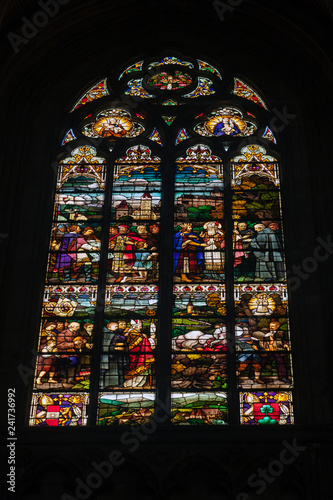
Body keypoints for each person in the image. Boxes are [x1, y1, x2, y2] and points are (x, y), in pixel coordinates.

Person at [123, 319, 155, 388]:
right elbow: (139, 344)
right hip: (138, 356)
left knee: (142, 370)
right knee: (138, 369)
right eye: (140, 326)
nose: (141, 327)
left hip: (140, 355)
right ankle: (131, 384)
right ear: (136, 326)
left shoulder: (139, 335)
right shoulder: (134, 334)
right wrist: (150, 339)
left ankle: (138, 384)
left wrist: (149, 339)